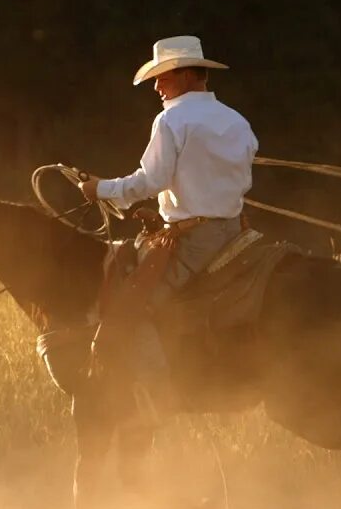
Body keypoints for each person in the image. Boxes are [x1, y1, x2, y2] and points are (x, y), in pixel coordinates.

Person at [79, 35, 259, 427]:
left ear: (187, 74)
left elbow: (150, 180)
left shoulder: (171, 120)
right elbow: (241, 176)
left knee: (134, 305)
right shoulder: (236, 120)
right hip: (234, 231)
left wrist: (101, 189)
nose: (157, 87)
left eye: (162, 77)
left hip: (195, 240)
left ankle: (159, 399)